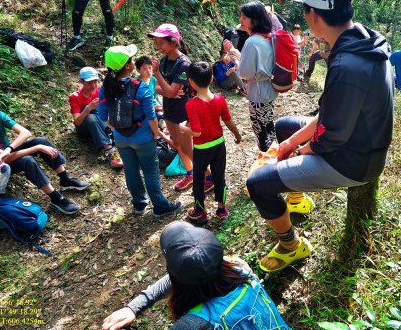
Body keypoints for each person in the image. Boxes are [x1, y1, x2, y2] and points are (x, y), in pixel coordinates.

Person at [245, 0, 394, 272]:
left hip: (354, 160)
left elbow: (330, 137)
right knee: (285, 125)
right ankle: (296, 197)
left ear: (313, 15)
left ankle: (291, 245)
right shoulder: (362, 40)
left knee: (259, 183)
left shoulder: (347, 65)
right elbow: (329, 111)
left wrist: (291, 155)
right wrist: (287, 143)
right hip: (361, 139)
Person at [101, 221, 291, 330]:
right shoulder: (240, 269)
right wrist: (135, 306)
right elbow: (191, 273)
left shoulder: (194, 324)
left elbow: (183, 276)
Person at [98, 45, 181, 217]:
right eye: (131, 59)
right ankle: (160, 206)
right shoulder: (140, 87)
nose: (132, 61)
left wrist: (116, 128)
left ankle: (139, 204)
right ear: (128, 66)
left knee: (130, 169)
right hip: (143, 138)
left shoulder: (105, 87)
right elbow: (151, 116)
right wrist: (155, 133)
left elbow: (102, 115)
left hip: (121, 138)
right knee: (150, 170)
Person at [0, 101, 87, 215]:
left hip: (7, 152)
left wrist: (9, 148)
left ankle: (65, 179)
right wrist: (37, 148)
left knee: (41, 141)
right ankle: (55, 198)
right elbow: (7, 159)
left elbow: (25, 133)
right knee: (27, 160)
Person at [148, 24, 213, 192]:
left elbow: (168, 90)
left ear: (174, 42)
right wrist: (166, 90)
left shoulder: (184, 64)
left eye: (161, 43)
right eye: (156, 42)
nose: (158, 47)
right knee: (176, 144)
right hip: (169, 108)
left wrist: (159, 80)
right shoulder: (164, 61)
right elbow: (157, 88)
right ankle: (190, 173)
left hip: (184, 111)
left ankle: (209, 176)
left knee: (187, 148)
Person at [179, 62, 242, 224]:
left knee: (199, 179)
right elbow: (228, 121)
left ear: (191, 82)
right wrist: (237, 135)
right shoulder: (220, 99)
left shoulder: (191, 104)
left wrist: (182, 128)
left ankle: (200, 211)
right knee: (219, 177)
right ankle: (221, 209)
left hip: (201, 149)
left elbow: (197, 131)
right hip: (219, 145)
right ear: (212, 78)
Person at [236, 0, 278, 152]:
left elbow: (245, 73)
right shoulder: (269, 37)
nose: (240, 20)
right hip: (270, 89)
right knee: (268, 125)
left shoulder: (252, 41)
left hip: (257, 93)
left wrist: (236, 62)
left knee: (261, 131)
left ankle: (268, 160)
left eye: (244, 17)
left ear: (255, 20)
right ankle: (274, 155)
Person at [69, 67, 123, 168]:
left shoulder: (99, 90)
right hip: (86, 127)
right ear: (81, 81)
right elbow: (77, 122)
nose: (93, 85)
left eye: (95, 82)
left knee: (101, 109)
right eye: (89, 83)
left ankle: (113, 136)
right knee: (91, 116)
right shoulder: (75, 97)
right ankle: (110, 150)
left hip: (102, 123)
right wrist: (88, 109)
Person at [135, 56, 164, 124]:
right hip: (147, 111)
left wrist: (162, 105)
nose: (148, 71)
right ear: (138, 70)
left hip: (158, 107)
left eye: (150, 67)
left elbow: (156, 96)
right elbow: (139, 104)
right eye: (144, 69)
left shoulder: (153, 79)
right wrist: (156, 108)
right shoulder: (136, 84)